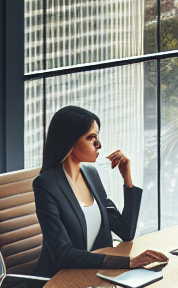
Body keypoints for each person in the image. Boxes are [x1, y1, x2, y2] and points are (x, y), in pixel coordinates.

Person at [33, 105, 167, 278]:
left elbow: (126, 232)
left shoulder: (91, 174)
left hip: (96, 273)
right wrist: (128, 262)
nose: (99, 145)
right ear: (69, 142)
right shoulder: (46, 184)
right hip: (60, 279)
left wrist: (127, 178)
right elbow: (62, 254)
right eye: (91, 138)